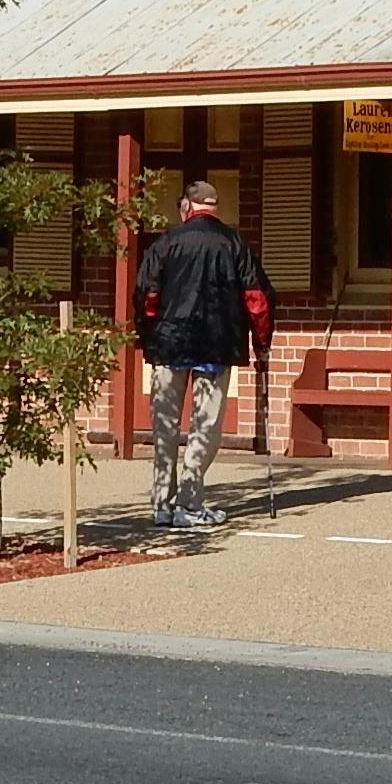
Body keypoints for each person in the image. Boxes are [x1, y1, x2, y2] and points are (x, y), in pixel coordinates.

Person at [132, 180, 273, 530]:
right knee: (205, 426)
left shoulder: (165, 243)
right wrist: (262, 342)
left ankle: (161, 504)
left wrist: (148, 335)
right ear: (213, 207)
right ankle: (190, 503)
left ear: (186, 207)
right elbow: (257, 299)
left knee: (164, 426)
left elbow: (146, 297)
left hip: (169, 344)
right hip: (216, 343)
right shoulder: (234, 242)